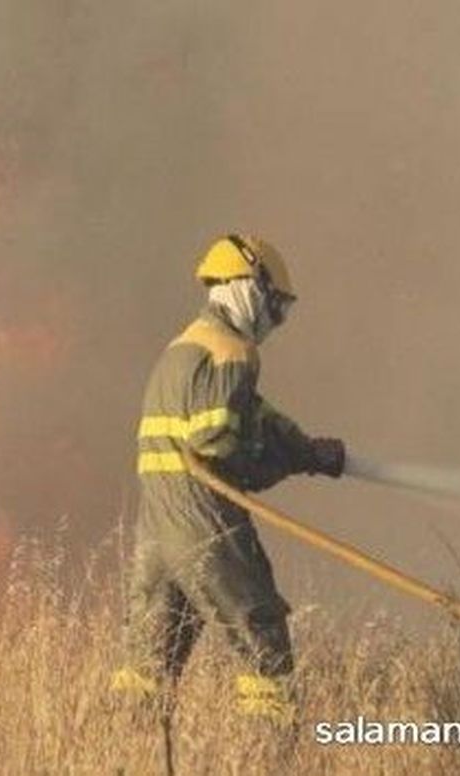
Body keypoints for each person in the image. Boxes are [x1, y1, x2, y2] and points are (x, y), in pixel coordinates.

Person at [111, 233, 346, 721]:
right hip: (203, 516)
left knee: (151, 654)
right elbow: (218, 441)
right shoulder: (232, 351)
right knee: (262, 631)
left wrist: (308, 452)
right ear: (250, 288)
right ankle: (272, 745)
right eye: (273, 303)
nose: (274, 319)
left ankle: (127, 744)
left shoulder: (183, 347)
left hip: (159, 525)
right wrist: (275, 467)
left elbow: (254, 416)